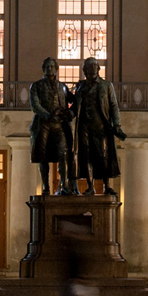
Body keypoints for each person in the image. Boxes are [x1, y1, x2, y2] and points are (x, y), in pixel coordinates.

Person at [72, 56, 126, 195]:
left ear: (98, 69)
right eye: (89, 66)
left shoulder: (106, 85)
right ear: (84, 70)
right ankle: (90, 186)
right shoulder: (80, 86)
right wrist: (65, 114)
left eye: (94, 66)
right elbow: (75, 107)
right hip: (84, 125)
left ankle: (107, 186)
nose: (92, 69)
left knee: (104, 155)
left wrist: (117, 124)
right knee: (86, 156)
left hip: (101, 126)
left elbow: (114, 106)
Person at [29, 57, 76, 196]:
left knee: (63, 154)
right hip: (43, 124)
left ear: (56, 68)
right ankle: (45, 186)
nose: (50, 69)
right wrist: (48, 115)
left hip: (59, 125)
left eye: (52, 66)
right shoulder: (36, 86)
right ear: (43, 69)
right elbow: (35, 105)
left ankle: (63, 185)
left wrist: (70, 113)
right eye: (47, 66)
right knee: (43, 156)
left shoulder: (62, 86)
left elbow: (75, 101)